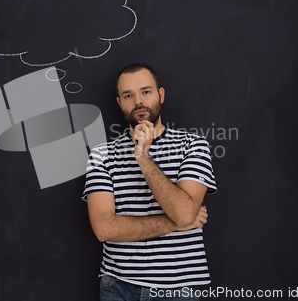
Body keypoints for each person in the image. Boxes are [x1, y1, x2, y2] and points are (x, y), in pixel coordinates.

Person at [82, 63, 217, 300]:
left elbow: (184, 211)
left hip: (177, 288)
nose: (138, 102)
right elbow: (103, 229)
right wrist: (177, 223)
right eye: (128, 95)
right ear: (119, 103)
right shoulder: (100, 154)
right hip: (117, 286)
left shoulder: (193, 145)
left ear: (160, 95)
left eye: (146, 91)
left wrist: (143, 158)